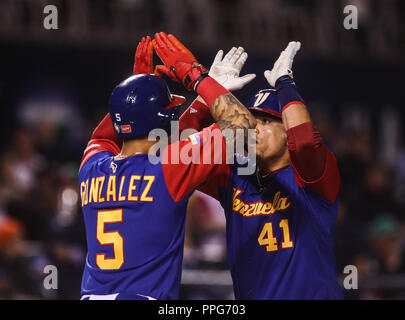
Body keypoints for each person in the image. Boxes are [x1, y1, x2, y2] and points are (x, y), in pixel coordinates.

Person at [78, 34, 256, 300]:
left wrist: (134, 91)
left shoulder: (91, 167)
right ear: (162, 121)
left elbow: (103, 136)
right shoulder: (168, 167)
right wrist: (199, 80)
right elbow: (243, 124)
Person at [180, 41, 343, 299]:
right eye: (253, 120)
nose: (255, 128)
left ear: (287, 126)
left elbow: (303, 143)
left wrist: (284, 83)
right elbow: (180, 158)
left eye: (266, 121)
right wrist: (203, 98)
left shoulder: (314, 178)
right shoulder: (237, 175)